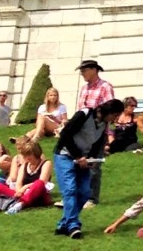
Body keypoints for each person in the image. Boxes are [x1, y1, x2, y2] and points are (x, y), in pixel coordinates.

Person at [51, 96, 122, 239]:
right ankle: (73, 225)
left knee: (84, 192)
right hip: (65, 156)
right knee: (70, 190)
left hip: (83, 159)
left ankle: (64, 224)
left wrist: (92, 158)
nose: (115, 119)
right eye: (115, 115)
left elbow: (97, 143)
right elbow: (65, 134)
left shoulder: (104, 125)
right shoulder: (84, 114)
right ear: (109, 111)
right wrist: (78, 156)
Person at [0, 136, 55, 212]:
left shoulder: (46, 163)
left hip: (39, 195)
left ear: (35, 154)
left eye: (28, 155)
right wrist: (19, 191)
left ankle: (20, 204)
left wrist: (24, 187)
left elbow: (43, 181)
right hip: (23, 193)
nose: (26, 158)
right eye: (25, 155)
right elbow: (18, 182)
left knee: (39, 183)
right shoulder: (24, 166)